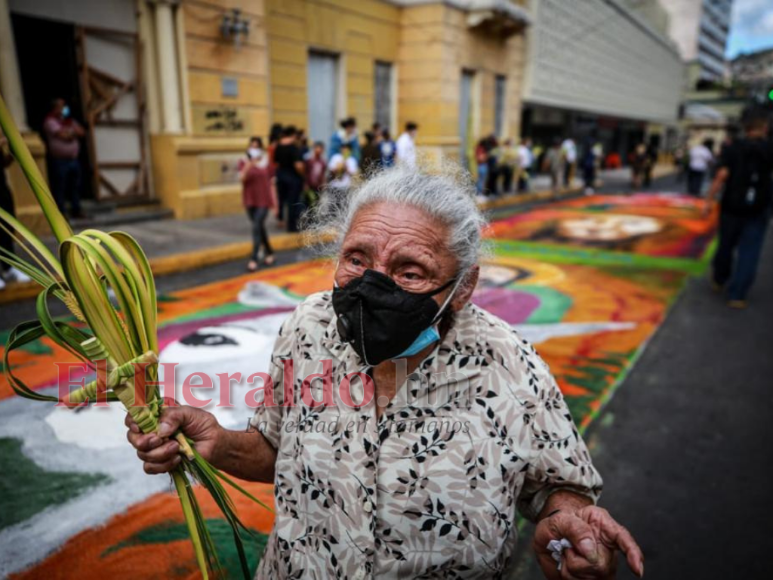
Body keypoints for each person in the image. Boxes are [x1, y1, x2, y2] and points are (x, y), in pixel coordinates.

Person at [126, 165, 644, 579]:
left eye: (409, 271)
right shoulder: (308, 327)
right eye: (356, 259)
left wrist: (566, 519)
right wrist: (215, 441)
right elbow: (278, 449)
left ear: (462, 288)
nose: (372, 286)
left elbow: (556, 486)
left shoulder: (510, 363)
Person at [705, 112, 773, 308]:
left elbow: (721, 175)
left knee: (726, 245)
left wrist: (709, 200)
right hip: (758, 208)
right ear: (764, 129)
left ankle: (719, 278)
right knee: (750, 252)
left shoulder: (733, 147)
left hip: (732, 206)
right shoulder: (769, 149)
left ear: (745, 129)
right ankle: (737, 294)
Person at [43, 98, 85, 219]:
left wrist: (70, 132)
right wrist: (72, 133)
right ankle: (61, 214)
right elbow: (64, 136)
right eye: (61, 106)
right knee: (60, 187)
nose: (63, 109)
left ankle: (76, 210)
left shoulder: (68, 121)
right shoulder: (50, 121)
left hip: (73, 160)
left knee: (75, 186)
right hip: (60, 161)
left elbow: (82, 132)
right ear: (55, 108)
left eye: (64, 106)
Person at [0, 136, 32, 290]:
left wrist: (11, 149)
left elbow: (4, 162)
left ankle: (9, 267)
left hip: (1, 188)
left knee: (7, 228)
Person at [239, 137, 275, 272]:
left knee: (256, 226)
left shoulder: (266, 162)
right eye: (252, 146)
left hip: (264, 200)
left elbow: (272, 183)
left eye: (257, 146)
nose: (254, 149)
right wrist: (249, 164)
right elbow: (242, 179)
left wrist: (275, 204)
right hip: (250, 199)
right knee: (259, 227)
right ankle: (270, 252)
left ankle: (254, 258)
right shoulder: (243, 161)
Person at [274, 125, 305, 232]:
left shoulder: (278, 146)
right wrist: (303, 175)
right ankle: (291, 226)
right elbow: (298, 165)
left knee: (282, 200)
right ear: (293, 135)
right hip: (292, 178)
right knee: (293, 202)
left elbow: (276, 163)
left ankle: (281, 219)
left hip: (281, 176)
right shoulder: (293, 148)